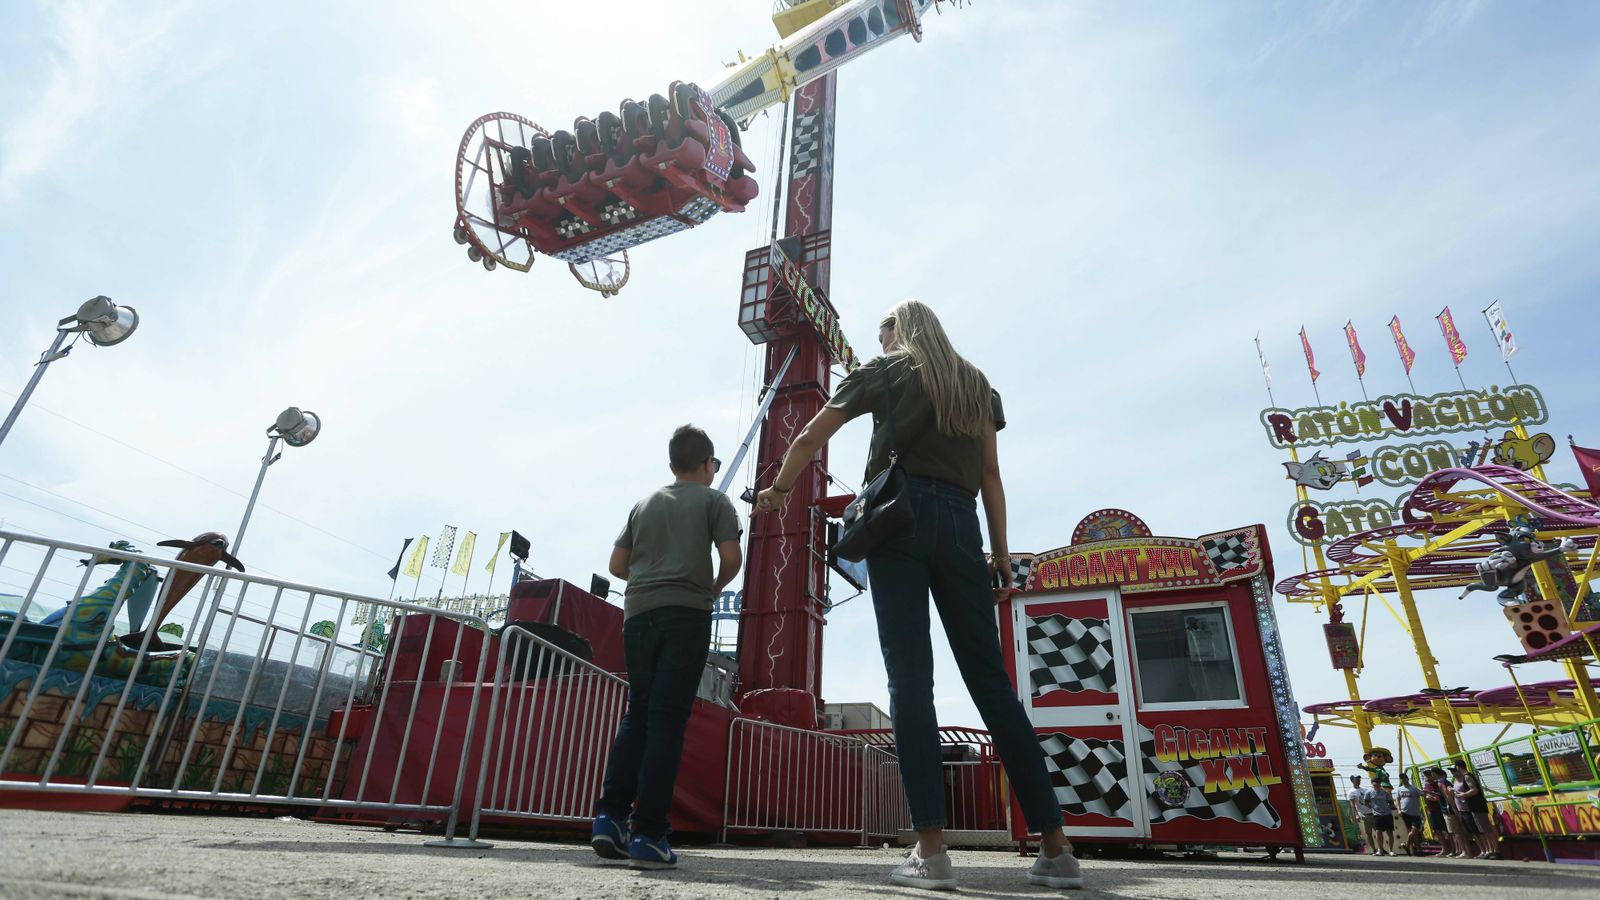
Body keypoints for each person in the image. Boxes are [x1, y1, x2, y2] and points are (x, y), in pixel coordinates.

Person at [754, 300, 1081, 891]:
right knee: (992, 684)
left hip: (898, 521)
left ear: (898, 333)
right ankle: (1057, 849)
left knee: (910, 681)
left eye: (885, 337)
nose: (882, 347)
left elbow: (810, 432)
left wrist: (778, 489)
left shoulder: (884, 372)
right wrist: (1001, 555)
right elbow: (990, 475)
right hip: (962, 526)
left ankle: (931, 854)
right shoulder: (976, 384)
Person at [591, 425, 743, 870]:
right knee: (667, 721)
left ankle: (609, 818)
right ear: (706, 464)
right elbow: (732, 558)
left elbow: (617, 564)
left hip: (637, 614)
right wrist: (712, 587)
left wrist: (647, 582)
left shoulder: (644, 503)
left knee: (637, 712)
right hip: (686, 614)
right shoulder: (716, 502)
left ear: (673, 465)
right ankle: (649, 833)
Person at [1452, 759, 1500, 859]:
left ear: (1458, 767)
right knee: (1483, 830)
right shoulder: (1466, 776)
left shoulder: (1467, 776)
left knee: (1486, 829)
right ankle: (1490, 850)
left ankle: (1495, 851)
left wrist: (1463, 794)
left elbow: (1474, 790)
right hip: (1474, 807)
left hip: (1478, 806)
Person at [1394, 772, 1424, 855]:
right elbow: (1397, 800)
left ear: (1407, 779)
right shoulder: (1399, 789)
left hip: (1415, 813)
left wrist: (1429, 795)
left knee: (1414, 831)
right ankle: (1418, 849)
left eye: (1404, 778)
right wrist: (1399, 810)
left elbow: (1422, 794)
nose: (1403, 779)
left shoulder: (1414, 788)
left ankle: (1407, 845)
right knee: (1412, 832)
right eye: (1402, 778)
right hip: (1405, 813)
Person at [1367, 776, 1396, 856]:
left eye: (1378, 782)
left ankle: (1391, 850)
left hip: (1387, 814)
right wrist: (1372, 808)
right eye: (1375, 782)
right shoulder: (1369, 792)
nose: (1377, 783)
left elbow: (1391, 802)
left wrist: (1390, 806)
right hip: (1377, 815)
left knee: (1389, 832)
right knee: (1378, 832)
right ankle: (1380, 851)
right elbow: (1366, 802)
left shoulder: (1385, 792)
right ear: (1372, 783)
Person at [1347, 774, 1375, 854]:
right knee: (1368, 832)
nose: (1359, 780)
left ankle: (1381, 848)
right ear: (1352, 781)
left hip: (1373, 812)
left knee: (1378, 831)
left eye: (1359, 779)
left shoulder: (1365, 789)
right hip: (1363, 814)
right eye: (1357, 779)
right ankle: (1373, 849)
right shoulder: (1351, 792)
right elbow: (1353, 805)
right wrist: (1356, 815)